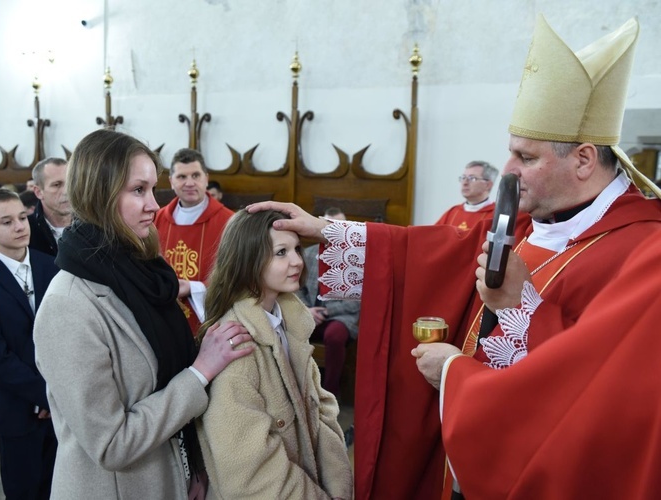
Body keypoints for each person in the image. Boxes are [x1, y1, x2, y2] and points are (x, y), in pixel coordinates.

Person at [249, 16, 661, 500]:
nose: (507, 171)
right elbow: (430, 251)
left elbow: (597, 394)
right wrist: (326, 230)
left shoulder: (643, 255)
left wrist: (479, 345)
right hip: (464, 455)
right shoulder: (536, 221)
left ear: (585, 160)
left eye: (525, 158)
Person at [33, 129, 253, 499]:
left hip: (172, 476)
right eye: (138, 190)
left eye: (153, 188)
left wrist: (192, 465)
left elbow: (163, 376)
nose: (154, 204)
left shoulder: (145, 273)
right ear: (99, 194)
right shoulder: (68, 305)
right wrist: (201, 371)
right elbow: (112, 444)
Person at [413, 227, 661, 497]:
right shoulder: (524, 225)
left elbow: (589, 393)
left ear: (583, 179)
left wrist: (452, 372)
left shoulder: (640, 241)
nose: (511, 181)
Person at [196, 209, 353, 499]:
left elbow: (322, 408)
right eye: (281, 252)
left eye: (296, 248)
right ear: (248, 261)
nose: (296, 261)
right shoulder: (235, 345)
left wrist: (338, 487)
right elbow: (251, 474)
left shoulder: (291, 323)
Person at [0, 189, 58, 499]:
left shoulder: (51, 266)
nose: (20, 227)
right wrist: (43, 394)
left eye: (23, 217)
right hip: (16, 406)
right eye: (7, 222)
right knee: (23, 487)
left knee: (57, 483)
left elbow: (64, 335)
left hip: (60, 401)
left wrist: (55, 390)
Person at [0, 157, 71, 287]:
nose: (66, 191)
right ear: (38, 192)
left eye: (71, 182)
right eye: (56, 185)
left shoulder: (93, 227)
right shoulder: (22, 230)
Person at [154, 148, 234, 333]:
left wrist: (194, 288)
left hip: (211, 324)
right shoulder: (154, 220)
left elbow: (236, 276)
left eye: (196, 175)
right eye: (182, 177)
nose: (189, 183)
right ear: (171, 181)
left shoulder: (229, 222)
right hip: (163, 317)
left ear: (206, 178)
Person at [297, 207, 360, 397]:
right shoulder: (308, 254)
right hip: (309, 313)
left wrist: (325, 312)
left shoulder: (354, 257)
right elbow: (296, 287)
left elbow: (357, 300)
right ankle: (301, 389)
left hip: (340, 317)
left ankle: (330, 392)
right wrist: (306, 310)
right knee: (293, 328)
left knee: (334, 336)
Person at [435, 161, 498, 230]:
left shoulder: (496, 215)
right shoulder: (452, 212)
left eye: (472, 178)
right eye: (463, 177)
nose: (465, 183)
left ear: (488, 185)